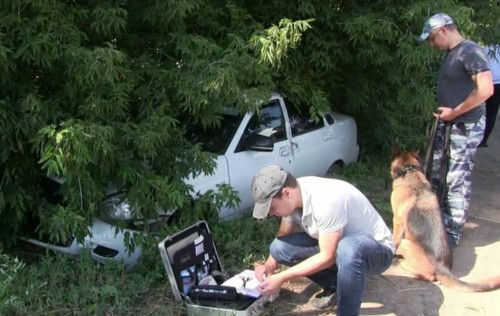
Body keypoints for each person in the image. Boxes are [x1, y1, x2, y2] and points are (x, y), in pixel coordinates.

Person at [250, 165, 394, 315]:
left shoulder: (326, 200)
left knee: (348, 248)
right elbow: (283, 236)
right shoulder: (292, 196)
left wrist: (282, 277)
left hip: (377, 250)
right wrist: (268, 265)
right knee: (278, 248)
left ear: (286, 193)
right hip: (338, 246)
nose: (271, 213)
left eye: (272, 208)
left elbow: (327, 256)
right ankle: (335, 284)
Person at [418, 13, 494, 246]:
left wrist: (455, 111)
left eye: (432, 39)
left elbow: (486, 90)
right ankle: (437, 222)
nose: (432, 44)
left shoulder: (470, 51)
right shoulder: (454, 52)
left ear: (442, 30)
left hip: (465, 125)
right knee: (438, 174)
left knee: (456, 178)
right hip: (449, 122)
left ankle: (453, 232)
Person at [479, 44, 500, 147]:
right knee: (492, 113)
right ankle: (484, 140)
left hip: (484, 81)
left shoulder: (485, 49)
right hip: (498, 84)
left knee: (478, 109)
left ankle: (476, 136)